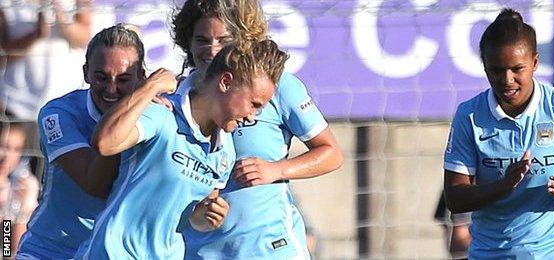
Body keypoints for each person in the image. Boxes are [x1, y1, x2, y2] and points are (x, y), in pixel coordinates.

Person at [75, 36, 289, 258]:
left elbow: (191, 218)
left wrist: (206, 216)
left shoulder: (225, 151)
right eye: (254, 104)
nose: (252, 117)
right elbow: (105, 142)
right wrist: (151, 86)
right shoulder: (162, 114)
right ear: (225, 82)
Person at [171, 0, 343, 259]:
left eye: (224, 40)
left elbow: (332, 153)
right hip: (199, 251)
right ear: (188, 41)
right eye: (202, 40)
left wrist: (275, 170)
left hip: (270, 249)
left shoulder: (275, 86)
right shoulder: (174, 99)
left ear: (243, 40)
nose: (212, 50)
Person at [443, 8, 554, 259]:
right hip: (491, 253)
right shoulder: (470, 116)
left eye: (517, 69)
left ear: (535, 63)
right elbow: (454, 197)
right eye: (497, 70)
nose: (507, 79)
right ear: (484, 66)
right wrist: (502, 186)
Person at [15, 24, 162, 259]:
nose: (111, 90)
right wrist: (139, 101)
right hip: (49, 251)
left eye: (124, 79)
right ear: (86, 73)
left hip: (113, 254)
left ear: (141, 77)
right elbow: (95, 184)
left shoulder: (156, 116)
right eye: (101, 77)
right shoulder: (58, 113)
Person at [0, 0, 91, 120]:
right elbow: (2, 56)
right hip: (16, 105)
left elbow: (83, 39)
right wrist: (35, 36)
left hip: (67, 103)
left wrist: (61, 17)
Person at [0, 121, 39, 256]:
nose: (7, 157)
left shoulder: (19, 183)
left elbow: (10, 252)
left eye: (16, 149)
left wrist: (22, 211)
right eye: (3, 147)